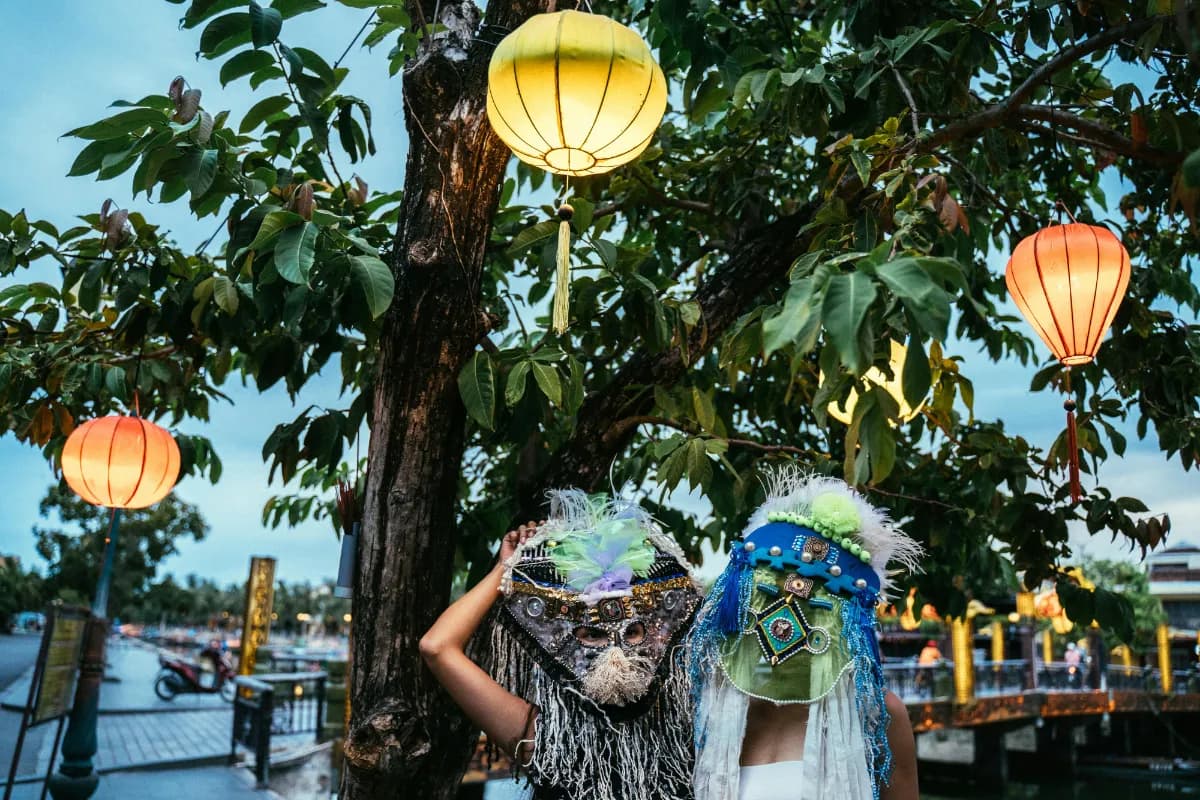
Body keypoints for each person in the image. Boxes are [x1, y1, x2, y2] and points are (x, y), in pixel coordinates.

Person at [421, 490, 704, 800]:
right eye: (593, 635)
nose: (616, 652)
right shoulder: (542, 737)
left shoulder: (687, 721)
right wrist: (505, 569)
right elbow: (437, 647)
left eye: (633, 631)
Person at [690, 468, 922, 800]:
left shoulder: (878, 714)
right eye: (770, 591)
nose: (785, 618)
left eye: (818, 601)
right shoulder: (711, 703)